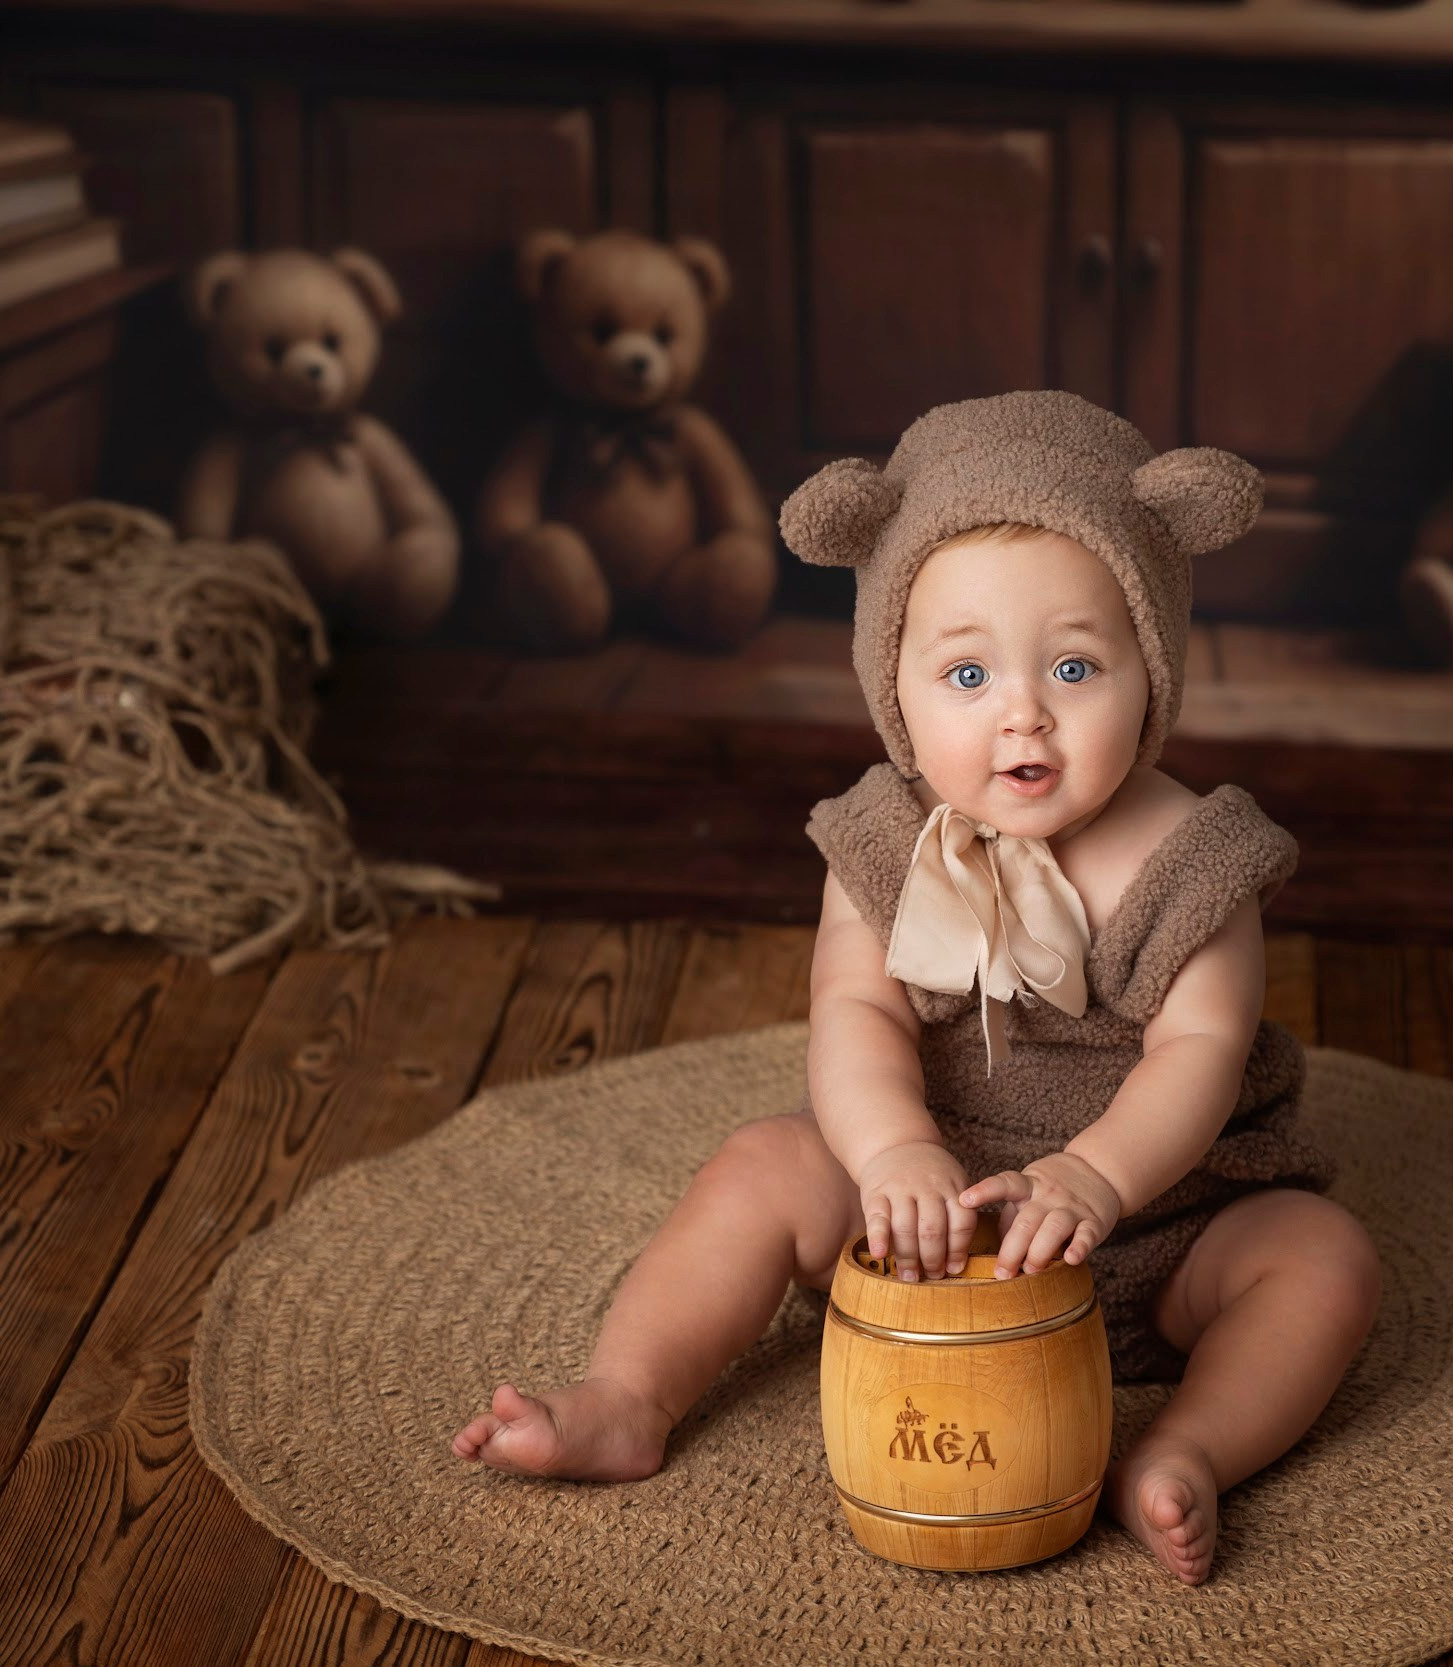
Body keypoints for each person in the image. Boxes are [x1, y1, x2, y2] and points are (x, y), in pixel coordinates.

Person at [452, 390, 1381, 1585]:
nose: (1021, 712)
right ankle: (628, 1396)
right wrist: (891, 1153)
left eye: (1074, 664)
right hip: (926, 1216)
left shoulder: (1194, 857)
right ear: (887, 680)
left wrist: (1096, 1175)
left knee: (1321, 1256)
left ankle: (1182, 1450)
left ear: (1153, 667)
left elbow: (1199, 1047)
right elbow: (855, 1010)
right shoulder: (883, 841)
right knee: (759, 1164)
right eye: (965, 674)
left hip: (1162, 1222)